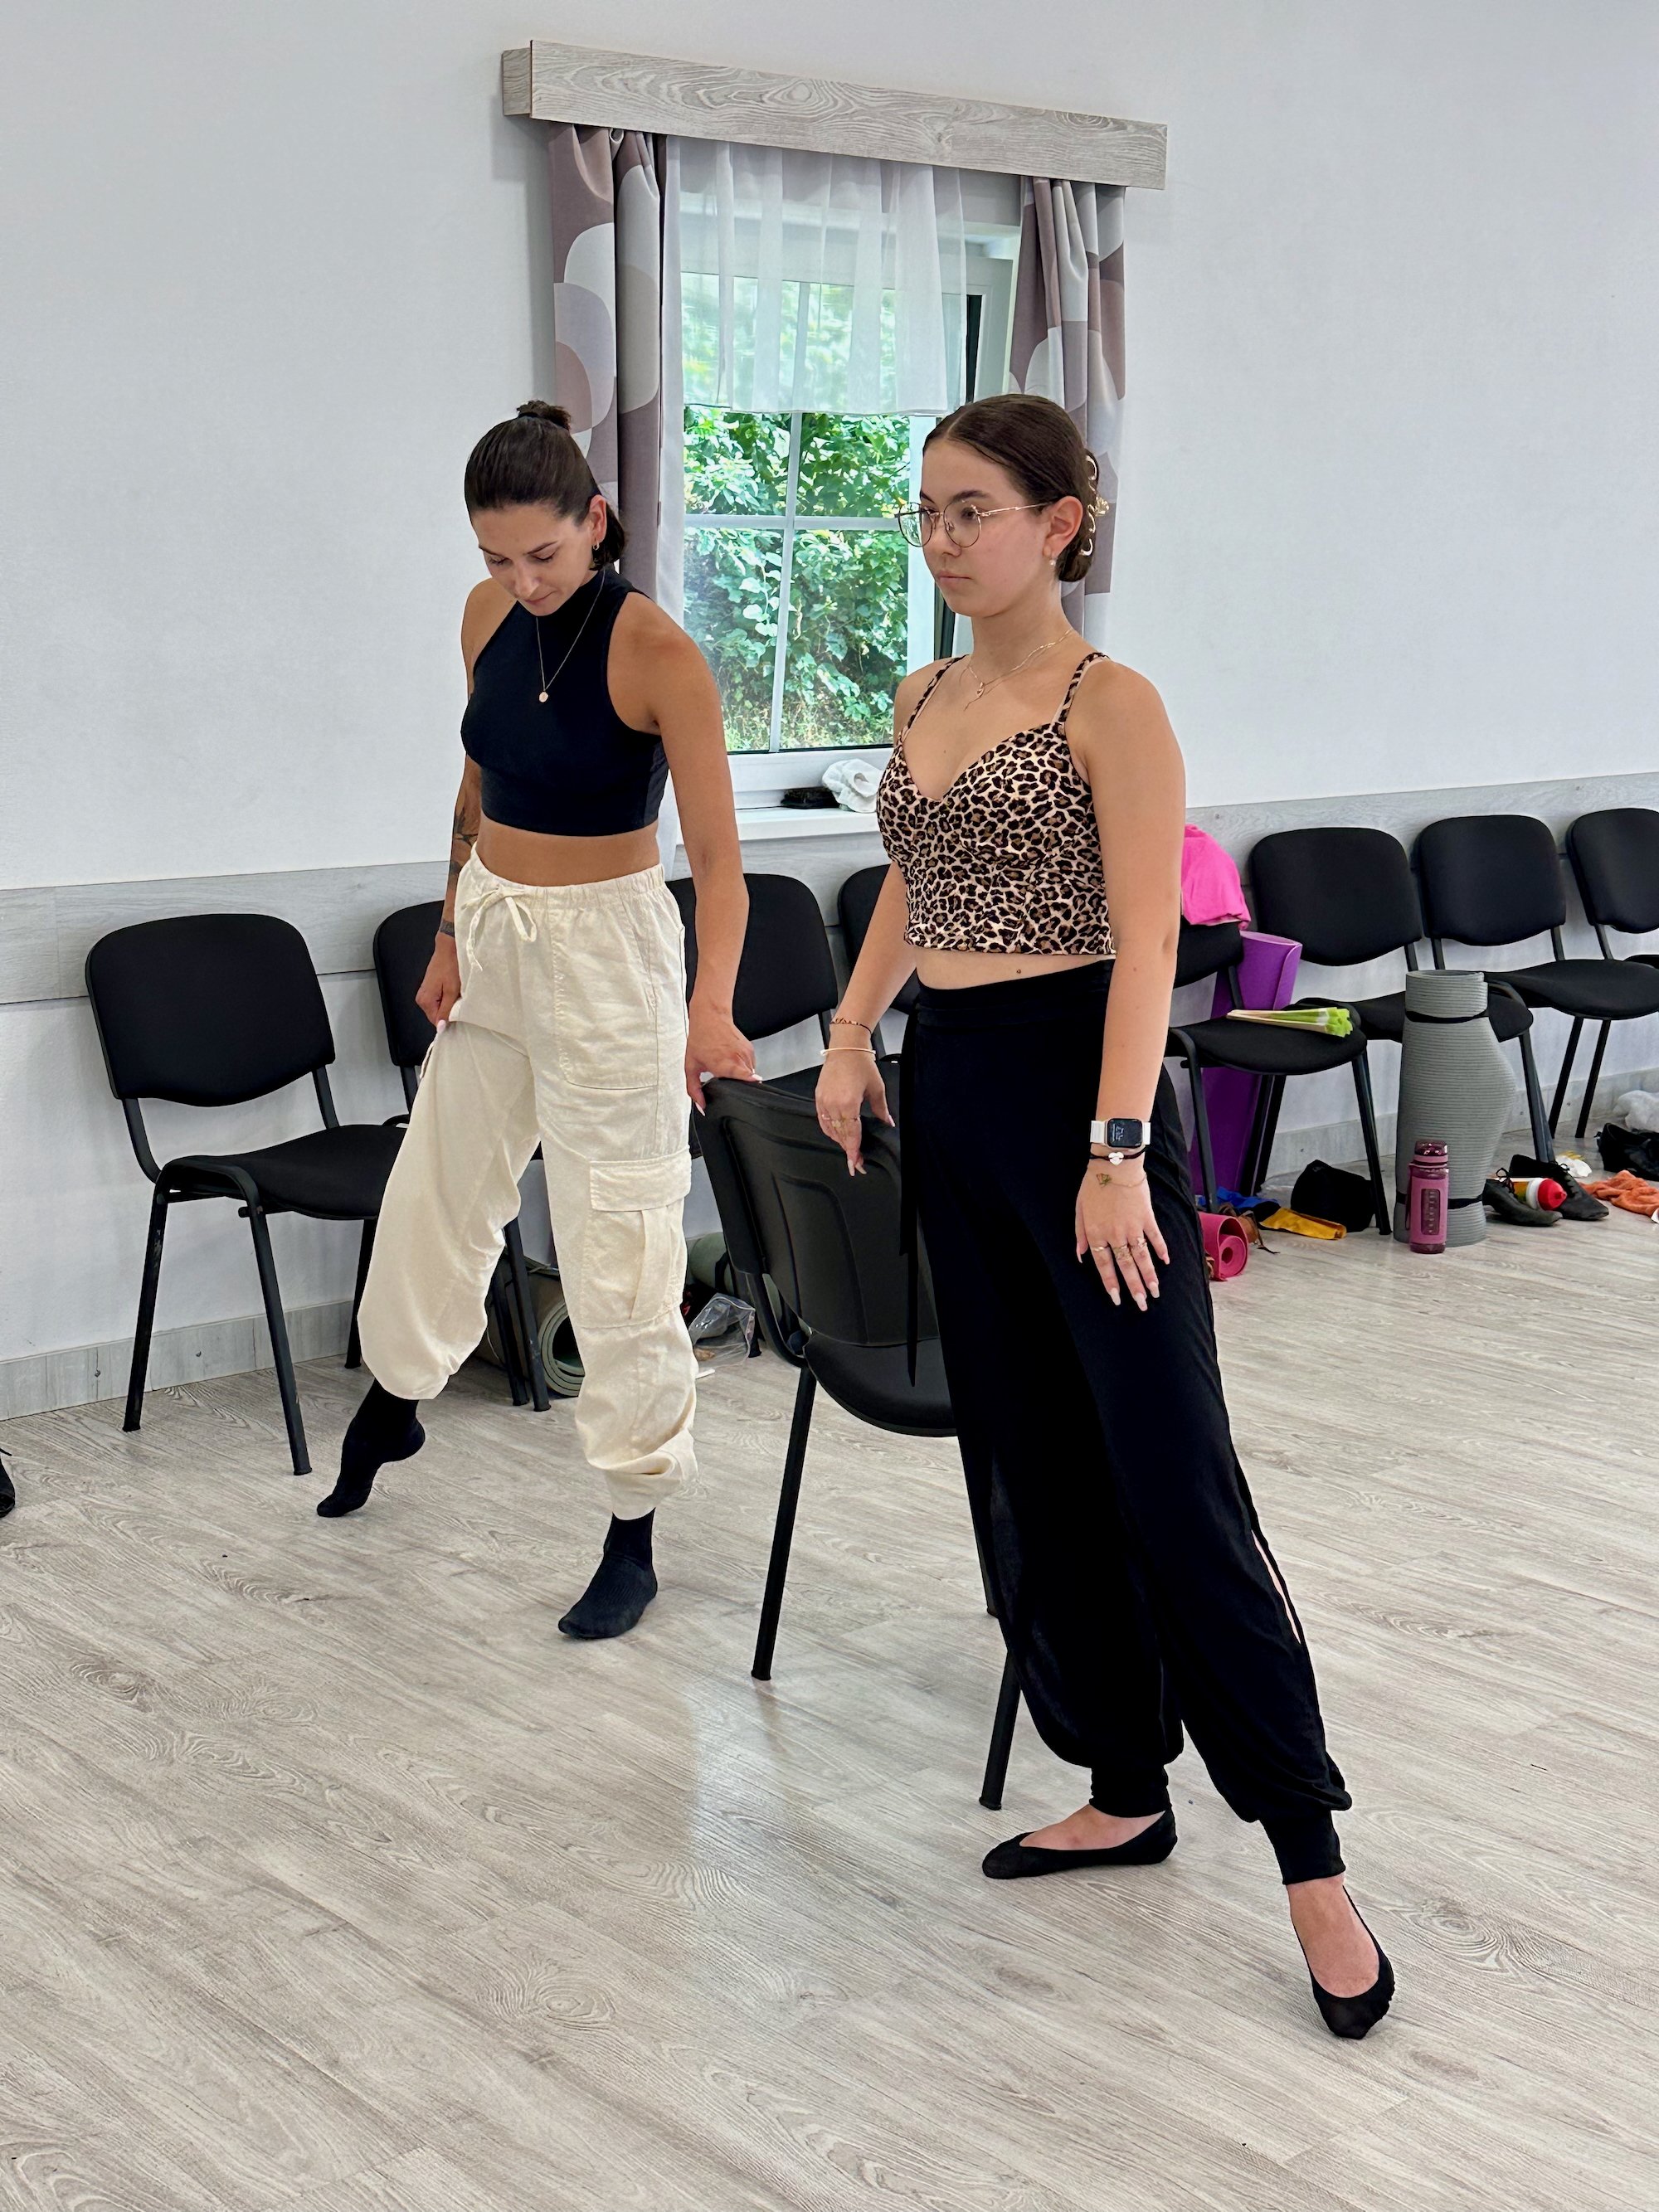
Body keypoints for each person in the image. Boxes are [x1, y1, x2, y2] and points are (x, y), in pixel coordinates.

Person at [814, 393, 1394, 2038]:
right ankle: (1125, 1783)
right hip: (954, 1088)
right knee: (1033, 1456)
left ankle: (1307, 1853)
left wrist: (1119, 1147)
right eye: (928, 511)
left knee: (1169, 1471)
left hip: (1086, 1092)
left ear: (1061, 522)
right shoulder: (925, 693)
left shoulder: (1109, 705)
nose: (942, 540)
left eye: (974, 511)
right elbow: (917, 886)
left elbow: (1147, 944)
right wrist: (852, 1033)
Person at [319, 402, 755, 1642]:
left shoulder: (658, 652)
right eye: (497, 558)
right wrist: (450, 930)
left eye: (544, 556)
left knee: (621, 1242)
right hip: (497, 932)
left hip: (612, 959)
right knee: (438, 1191)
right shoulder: (486, 618)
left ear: (596, 523)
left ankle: (633, 1525)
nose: (522, 581)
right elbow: (477, 782)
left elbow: (721, 864)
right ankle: (399, 1394)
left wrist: (711, 1010)